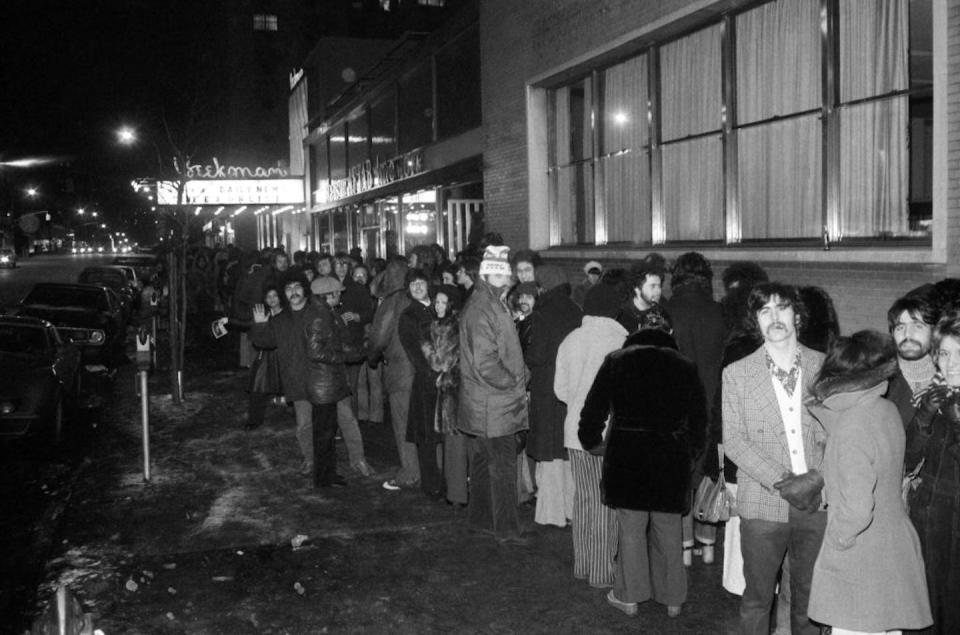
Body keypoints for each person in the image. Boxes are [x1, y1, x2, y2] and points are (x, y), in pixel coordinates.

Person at [579, 309, 706, 618]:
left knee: (632, 528)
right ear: (670, 333)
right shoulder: (687, 367)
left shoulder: (617, 361)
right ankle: (673, 597)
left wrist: (593, 442)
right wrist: (688, 456)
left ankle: (630, 596)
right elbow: (700, 422)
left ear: (636, 330)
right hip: (670, 459)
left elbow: (593, 409)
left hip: (627, 456)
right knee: (668, 527)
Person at [806, 330, 932, 634]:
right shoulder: (884, 408)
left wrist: (838, 540)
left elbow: (859, 508)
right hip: (891, 549)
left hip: (862, 559)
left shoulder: (851, 425)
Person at [722, 282, 826, 635]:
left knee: (809, 601)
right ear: (756, 320)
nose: (774, 317)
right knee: (756, 600)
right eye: (764, 310)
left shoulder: (824, 367)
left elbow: (838, 434)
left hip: (816, 501)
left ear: (797, 314)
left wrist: (814, 478)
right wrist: (786, 481)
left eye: (781, 308)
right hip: (764, 502)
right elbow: (735, 441)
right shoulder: (736, 374)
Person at [554, 279, 626, 589]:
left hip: (575, 432)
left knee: (583, 499)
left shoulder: (571, 338)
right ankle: (601, 572)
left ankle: (583, 565)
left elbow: (560, 389)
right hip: (607, 436)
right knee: (605, 502)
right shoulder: (623, 342)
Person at [457, 244, 530, 545]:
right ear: (496, 274)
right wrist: (516, 382)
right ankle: (508, 530)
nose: (511, 277)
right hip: (494, 405)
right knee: (503, 466)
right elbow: (487, 363)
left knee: (485, 465)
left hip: (486, 402)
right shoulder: (483, 307)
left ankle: (480, 520)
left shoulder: (488, 301)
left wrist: (520, 375)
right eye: (507, 272)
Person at [663, 252, 726, 565]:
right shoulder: (720, 312)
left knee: (680, 474)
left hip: (677, 402)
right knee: (708, 471)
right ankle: (708, 543)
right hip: (712, 401)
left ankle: (684, 546)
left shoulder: (667, 311)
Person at [905, 313, 960, 634]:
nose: (950, 363)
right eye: (944, 353)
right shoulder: (935, 395)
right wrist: (924, 419)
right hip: (931, 517)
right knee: (926, 603)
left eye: (959, 354)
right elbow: (910, 458)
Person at [524, 264, 582, 527]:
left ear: (542, 287)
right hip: (571, 388)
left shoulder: (541, 314)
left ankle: (551, 512)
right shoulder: (576, 310)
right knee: (566, 449)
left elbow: (536, 356)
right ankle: (571, 509)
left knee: (548, 452)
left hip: (547, 389)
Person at [249, 273, 321, 478]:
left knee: (331, 422)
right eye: (289, 289)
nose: (294, 292)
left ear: (305, 289)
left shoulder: (316, 313)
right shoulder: (280, 320)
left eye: (298, 287)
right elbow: (264, 342)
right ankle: (310, 459)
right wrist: (261, 324)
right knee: (304, 425)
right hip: (297, 380)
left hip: (321, 377)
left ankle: (346, 459)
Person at [369, 257, 420, 490]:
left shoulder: (390, 302)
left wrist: (371, 357)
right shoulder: (415, 295)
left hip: (400, 371)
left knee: (403, 425)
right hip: (420, 370)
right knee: (420, 424)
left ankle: (409, 472)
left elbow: (378, 338)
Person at [302, 275, 355, 488]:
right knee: (324, 433)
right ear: (328, 295)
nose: (340, 296)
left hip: (325, 384)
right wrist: (343, 357)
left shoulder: (324, 313)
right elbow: (315, 352)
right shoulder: (319, 316)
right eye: (338, 293)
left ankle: (327, 474)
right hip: (323, 385)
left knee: (327, 431)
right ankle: (323, 478)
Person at [398, 269, 445, 499]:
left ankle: (449, 481)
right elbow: (414, 352)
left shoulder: (440, 307)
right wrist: (432, 374)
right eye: (413, 284)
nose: (417, 287)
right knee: (427, 438)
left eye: (421, 282)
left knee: (447, 437)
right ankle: (431, 484)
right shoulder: (409, 316)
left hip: (447, 381)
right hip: (427, 383)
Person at [423, 284, 466, 507]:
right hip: (446, 390)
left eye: (442, 302)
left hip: (453, 390)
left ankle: (458, 494)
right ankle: (452, 489)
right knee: (449, 441)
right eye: (436, 302)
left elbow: (442, 362)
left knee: (455, 441)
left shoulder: (452, 327)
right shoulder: (440, 324)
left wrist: (426, 347)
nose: (438, 306)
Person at [886, 292, 939, 427]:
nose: (907, 334)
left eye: (918, 326)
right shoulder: (881, 381)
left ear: (934, 332)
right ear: (892, 333)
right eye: (900, 327)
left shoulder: (949, 377)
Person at [244, 286, 283, 431]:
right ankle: (254, 419)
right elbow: (255, 336)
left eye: (275, 296)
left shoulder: (286, 315)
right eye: (269, 297)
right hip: (266, 355)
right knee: (258, 385)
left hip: (284, 355)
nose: (272, 299)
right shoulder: (263, 315)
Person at [617, 261, 668, 334]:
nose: (658, 291)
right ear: (637, 288)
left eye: (659, 286)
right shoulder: (621, 316)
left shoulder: (663, 313)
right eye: (652, 286)